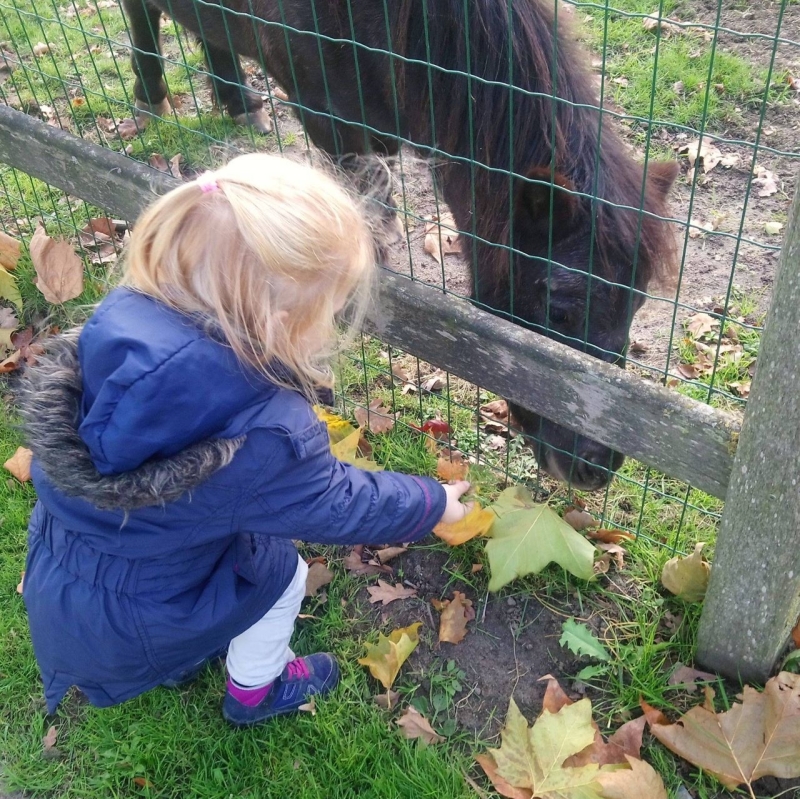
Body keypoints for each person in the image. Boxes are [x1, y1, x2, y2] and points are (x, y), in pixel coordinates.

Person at [19, 154, 471, 727]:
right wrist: (433, 502)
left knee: (217, 532)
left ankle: (185, 647)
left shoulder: (112, 331)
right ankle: (257, 691)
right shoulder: (267, 432)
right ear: (285, 319)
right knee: (282, 574)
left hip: (66, 576)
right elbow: (339, 504)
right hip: (140, 619)